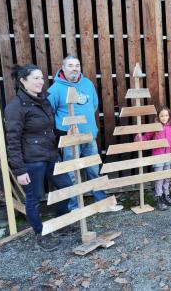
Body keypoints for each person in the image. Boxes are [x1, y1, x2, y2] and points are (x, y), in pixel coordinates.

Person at [5, 64, 73, 251]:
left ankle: (61, 221)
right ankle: (40, 233)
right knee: (34, 198)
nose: (40, 82)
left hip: (51, 155)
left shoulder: (44, 100)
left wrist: (62, 132)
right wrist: (19, 170)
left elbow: (46, 130)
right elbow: (12, 140)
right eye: (35, 78)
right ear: (23, 81)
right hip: (32, 161)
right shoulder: (15, 107)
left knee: (66, 187)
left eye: (42, 78)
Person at [47, 55, 121, 212]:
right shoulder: (55, 90)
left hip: (88, 137)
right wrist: (62, 130)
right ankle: (75, 208)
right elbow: (49, 114)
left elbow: (94, 104)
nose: (75, 68)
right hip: (69, 140)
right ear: (63, 67)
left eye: (77, 65)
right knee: (72, 174)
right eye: (71, 65)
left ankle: (101, 203)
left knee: (93, 170)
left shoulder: (87, 83)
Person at [136, 105, 171, 210]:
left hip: (168, 157)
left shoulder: (170, 127)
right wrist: (139, 138)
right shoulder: (155, 127)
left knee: (167, 177)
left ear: (169, 116)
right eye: (162, 116)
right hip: (157, 157)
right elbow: (146, 137)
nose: (164, 118)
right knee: (159, 178)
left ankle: (166, 196)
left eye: (166, 115)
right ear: (158, 116)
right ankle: (159, 198)